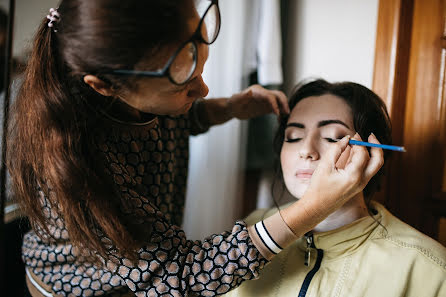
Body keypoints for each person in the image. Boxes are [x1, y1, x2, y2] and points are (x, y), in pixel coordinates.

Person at [8, 1, 384, 296]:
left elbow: (178, 116)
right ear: (105, 87)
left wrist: (229, 107)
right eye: (182, 86)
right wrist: (313, 208)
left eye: (333, 136)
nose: (203, 90)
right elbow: (184, 275)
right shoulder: (80, 167)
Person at [223, 79, 446, 297]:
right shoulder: (252, 229)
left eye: (333, 137)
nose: (306, 150)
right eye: (294, 137)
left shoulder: (428, 267)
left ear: (371, 153)